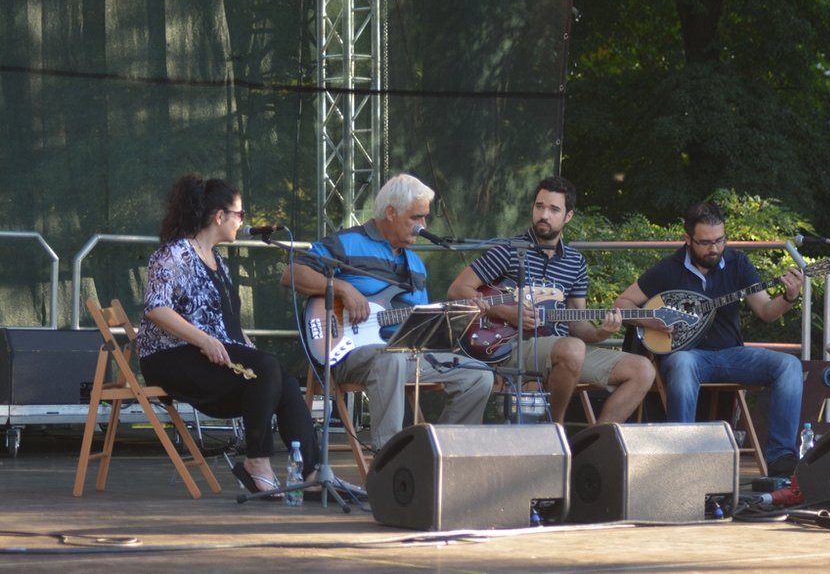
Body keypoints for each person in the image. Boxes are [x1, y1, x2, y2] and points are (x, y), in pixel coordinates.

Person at [279, 173, 494, 451]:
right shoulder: (346, 243)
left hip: (408, 354)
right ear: (391, 212)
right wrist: (343, 287)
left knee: (478, 375)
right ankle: (391, 460)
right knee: (391, 360)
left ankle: (440, 453)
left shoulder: (415, 264)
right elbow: (292, 274)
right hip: (349, 351)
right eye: (416, 217)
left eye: (425, 218)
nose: (423, 226)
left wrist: (459, 316)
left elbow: (421, 323)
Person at [136, 173, 320, 497]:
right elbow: (156, 309)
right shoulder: (174, 254)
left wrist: (247, 348)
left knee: (283, 380)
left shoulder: (219, 262)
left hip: (210, 356)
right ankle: (256, 463)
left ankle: (313, 473)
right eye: (240, 214)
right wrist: (204, 340)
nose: (242, 221)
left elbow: (226, 324)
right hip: (171, 356)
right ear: (219, 216)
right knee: (265, 368)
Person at [614, 200, 804, 477]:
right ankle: (682, 455)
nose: (714, 248)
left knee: (789, 365)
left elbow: (766, 311)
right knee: (681, 364)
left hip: (731, 354)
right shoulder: (669, 269)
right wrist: (649, 319)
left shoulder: (738, 263)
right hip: (687, 356)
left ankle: (781, 459)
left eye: (720, 240)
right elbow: (621, 304)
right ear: (687, 239)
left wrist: (789, 297)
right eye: (705, 243)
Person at [447, 176, 655, 424]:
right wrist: (505, 313)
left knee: (643, 370)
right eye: (539, 206)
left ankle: (596, 446)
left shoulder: (575, 262)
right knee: (572, 348)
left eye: (554, 209)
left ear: (568, 216)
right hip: (510, 345)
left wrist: (600, 334)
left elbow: (577, 324)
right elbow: (458, 289)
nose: (544, 214)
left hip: (563, 351)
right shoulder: (510, 249)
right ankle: (555, 429)